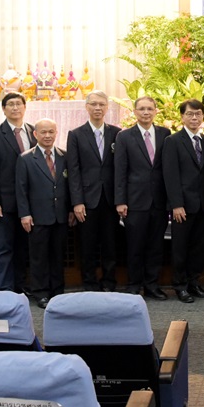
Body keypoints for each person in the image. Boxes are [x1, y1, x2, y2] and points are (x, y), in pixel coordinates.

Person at [114, 96, 171, 299]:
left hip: (159, 200)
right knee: (135, 246)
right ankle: (133, 285)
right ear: (135, 112)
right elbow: (120, 170)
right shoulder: (124, 136)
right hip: (135, 201)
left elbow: (168, 168)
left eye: (149, 109)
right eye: (141, 109)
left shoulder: (165, 134)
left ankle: (152, 285)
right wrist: (120, 200)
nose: (146, 112)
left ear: (156, 111)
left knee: (156, 246)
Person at [66, 90, 121, 291]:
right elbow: (73, 170)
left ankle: (109, 282)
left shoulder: (117, 133)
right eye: (94, 104)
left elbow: (121, 168)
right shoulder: (76, 135)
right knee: (87, 245)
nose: (98, 108)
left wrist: (121, 199)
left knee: (110, 244)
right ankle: (89, 283)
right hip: (87, 200)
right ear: (86, 107)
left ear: (107, 108)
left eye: (101, 104)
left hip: (110, 199)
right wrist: (77, 202)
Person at [163, 99, 204, 303]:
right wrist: (176, 204)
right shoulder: (173, 141)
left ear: (203, 117)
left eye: (198, 114)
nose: (194, 118)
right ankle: (180, 285)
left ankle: (194, 283)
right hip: (183, 205)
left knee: (199, 247)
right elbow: (170, 175)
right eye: (190, 114)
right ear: (182, 117)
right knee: (180, 248)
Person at [0, 91, 35, 292]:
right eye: (10, 104)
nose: (15, 108)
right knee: (5, 246)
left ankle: (20, 286)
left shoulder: (33, 131)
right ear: (4, 109)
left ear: (25, 107)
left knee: (24, 246)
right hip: (5, 201)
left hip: (30, 201)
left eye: (18, 104)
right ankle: (5, 289)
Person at [16, 118, 71, 308]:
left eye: (51, 132)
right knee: (39, 257)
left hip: (60, 215)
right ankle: (40, 292)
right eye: (43, 132)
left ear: (56, 133)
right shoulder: (25, 158)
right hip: (37, 216)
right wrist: (25, 214)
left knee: (58, 255)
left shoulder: (65, 156)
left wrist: (71, 210)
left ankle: (57, 291)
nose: (47, 135)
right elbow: (21, 189)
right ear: (35, 134)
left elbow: (70, 186)